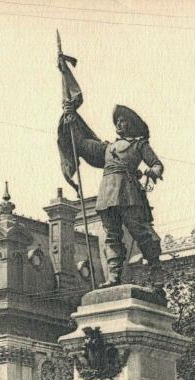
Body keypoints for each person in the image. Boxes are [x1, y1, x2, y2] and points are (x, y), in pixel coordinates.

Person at [62, 100, 164, 288]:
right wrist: (71, 118)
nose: (118, 124)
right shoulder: (107, 148)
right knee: (112, 236)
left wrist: (153, 172)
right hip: (107, 195)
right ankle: (114, 276)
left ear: (131, 125)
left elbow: (156, 164)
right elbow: (83, 144)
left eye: (123, 121)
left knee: (140, 232)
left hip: (128, 194)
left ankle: (156, 271)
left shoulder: (139, 145)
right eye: (117, 121)